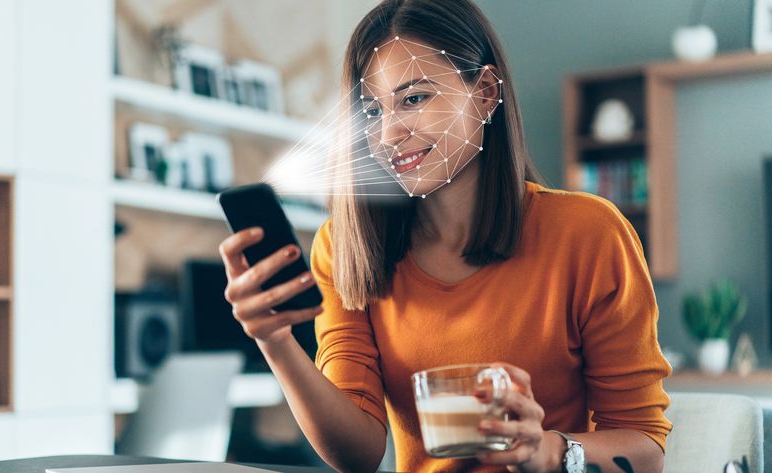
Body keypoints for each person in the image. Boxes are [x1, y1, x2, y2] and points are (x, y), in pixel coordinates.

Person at [219, 1, 672, 472]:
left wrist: (548, 451)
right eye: (372, 111)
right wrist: (273, 340)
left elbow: (644, 452)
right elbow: (357, 455)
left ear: (485, 93)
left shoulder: (588, 233)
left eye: (414, 98)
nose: (389, 132)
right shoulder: (346, 249)